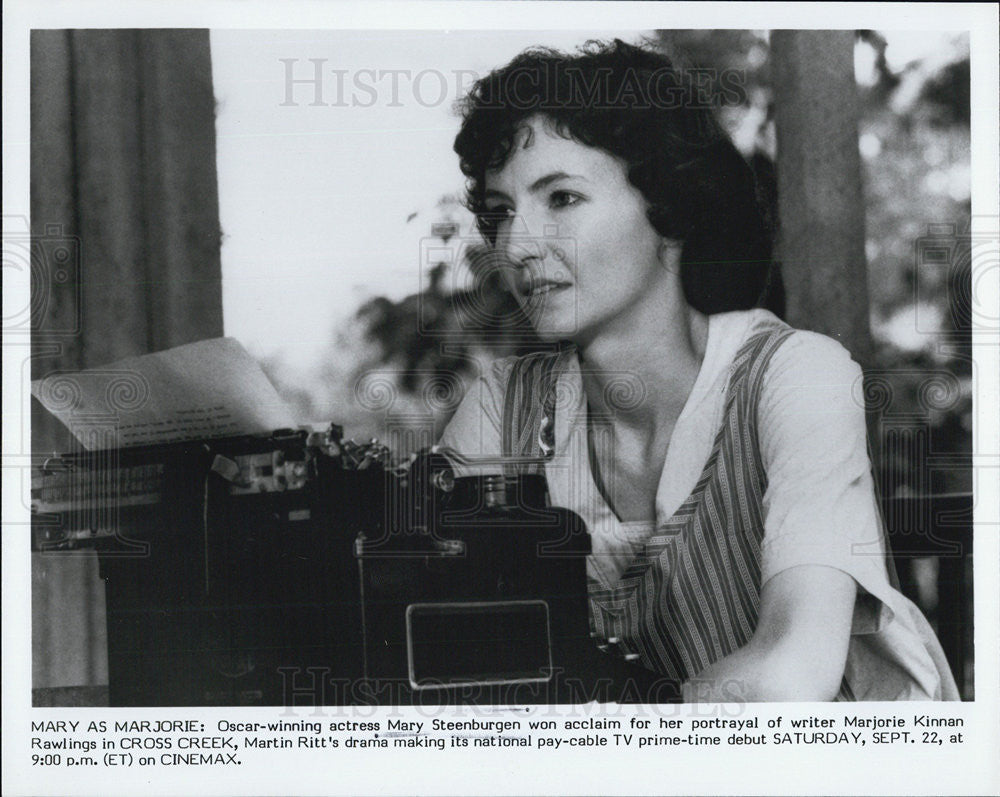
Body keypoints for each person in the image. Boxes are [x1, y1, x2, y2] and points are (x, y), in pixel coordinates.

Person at [436, 39, 959, 701]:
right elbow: (423, 633)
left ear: (671, 208)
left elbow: (791, 674)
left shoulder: (794, 377)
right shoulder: (501, 409)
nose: (518, 244)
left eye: (561, 198)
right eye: (500, 211)